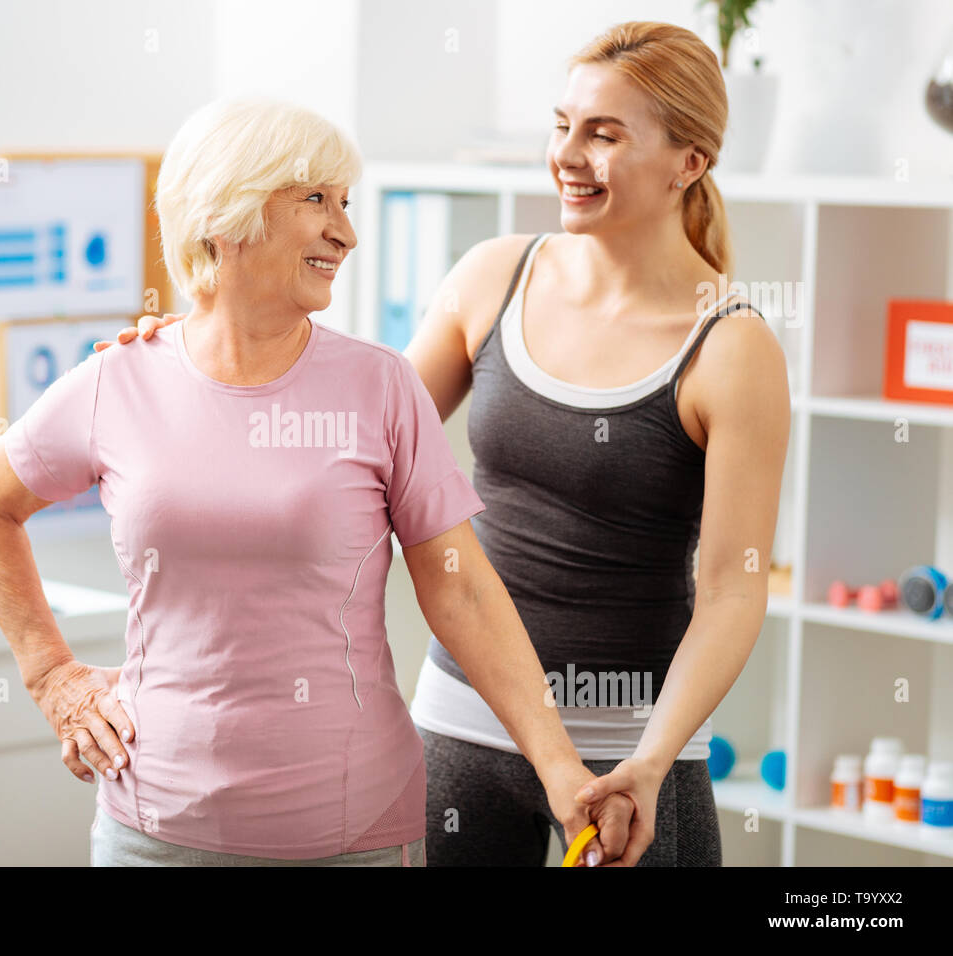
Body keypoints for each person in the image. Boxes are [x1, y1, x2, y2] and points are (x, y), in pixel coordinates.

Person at [107, 21, 791, 867]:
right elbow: (343, 434)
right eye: (562, 125)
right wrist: (195, 351)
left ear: (689, 162)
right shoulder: (492, 278)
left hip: (632, 752)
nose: (568, 155)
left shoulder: (731, 345)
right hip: (463, 728)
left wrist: (649, 762)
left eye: (604, 135)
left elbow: (732, 591)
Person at [0, 96, 633, 867]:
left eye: (345, 203)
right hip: (153, 826)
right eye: (316, 199)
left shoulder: (381, 387)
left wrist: (560, 767)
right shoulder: (119, 379)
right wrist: (51, 676)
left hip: (352, 830)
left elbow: (463, 589)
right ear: (225, 207)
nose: (345, 231)